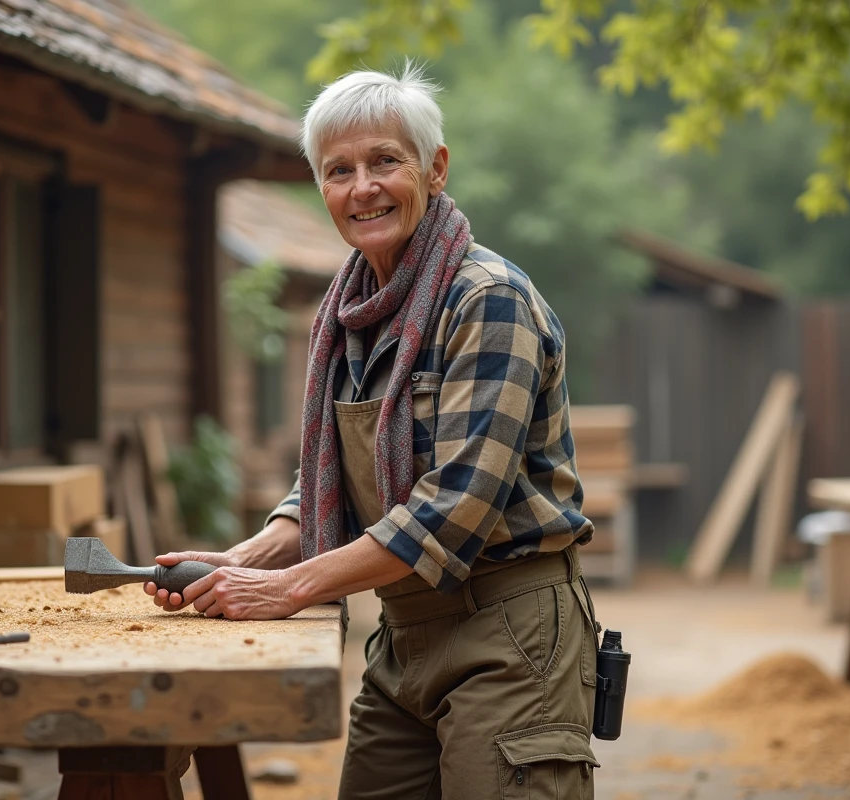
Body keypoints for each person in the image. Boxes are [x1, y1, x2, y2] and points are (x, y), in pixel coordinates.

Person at [144, 64, 600, 799]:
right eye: (339, 170)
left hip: (509, 632)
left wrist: (289, 587)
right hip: (403, 628)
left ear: (436, 169)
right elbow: (330, 481)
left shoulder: (488, 301)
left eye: (385, 161)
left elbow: (454, 508)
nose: (363, 188)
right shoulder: (355, 311)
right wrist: (245, 559)